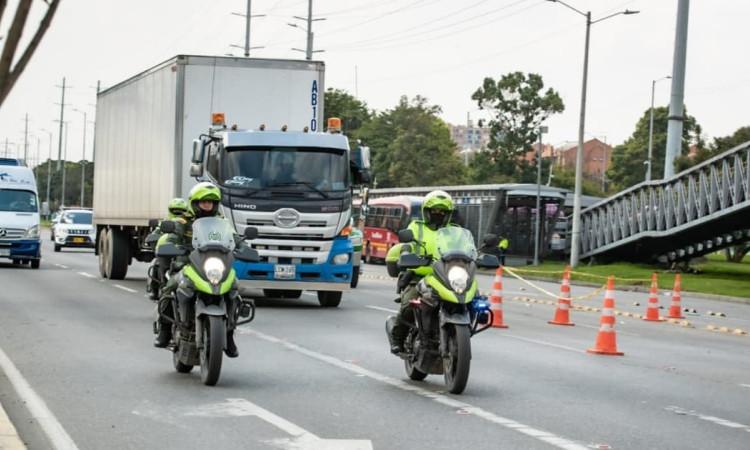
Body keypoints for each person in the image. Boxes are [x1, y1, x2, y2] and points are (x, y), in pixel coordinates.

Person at [153, 182, 241, 358]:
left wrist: (243, 246)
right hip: (187, 265)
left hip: (215, 266)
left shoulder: (222, 222)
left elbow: (234, 238)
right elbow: (171, 237)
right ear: (194, 203)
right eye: (203, 202)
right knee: (168, 288)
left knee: (234, 290)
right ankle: (164, 331)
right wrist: (171, 245)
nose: (207, 205)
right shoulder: (183, 221)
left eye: (211, 202)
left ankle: (229, 334)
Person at [387, 190, 455, 354]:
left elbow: (465, 250)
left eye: (442, 212)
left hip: (447, 277)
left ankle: (457, 334)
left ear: (448, 214)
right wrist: (407, 254)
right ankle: (398, 337)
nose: (438, 214)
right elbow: (408, 245)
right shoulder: (416, 227)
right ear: (427, 212)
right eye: (434, 211)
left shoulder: (454, 231)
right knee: (409, 305)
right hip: (419, 277)